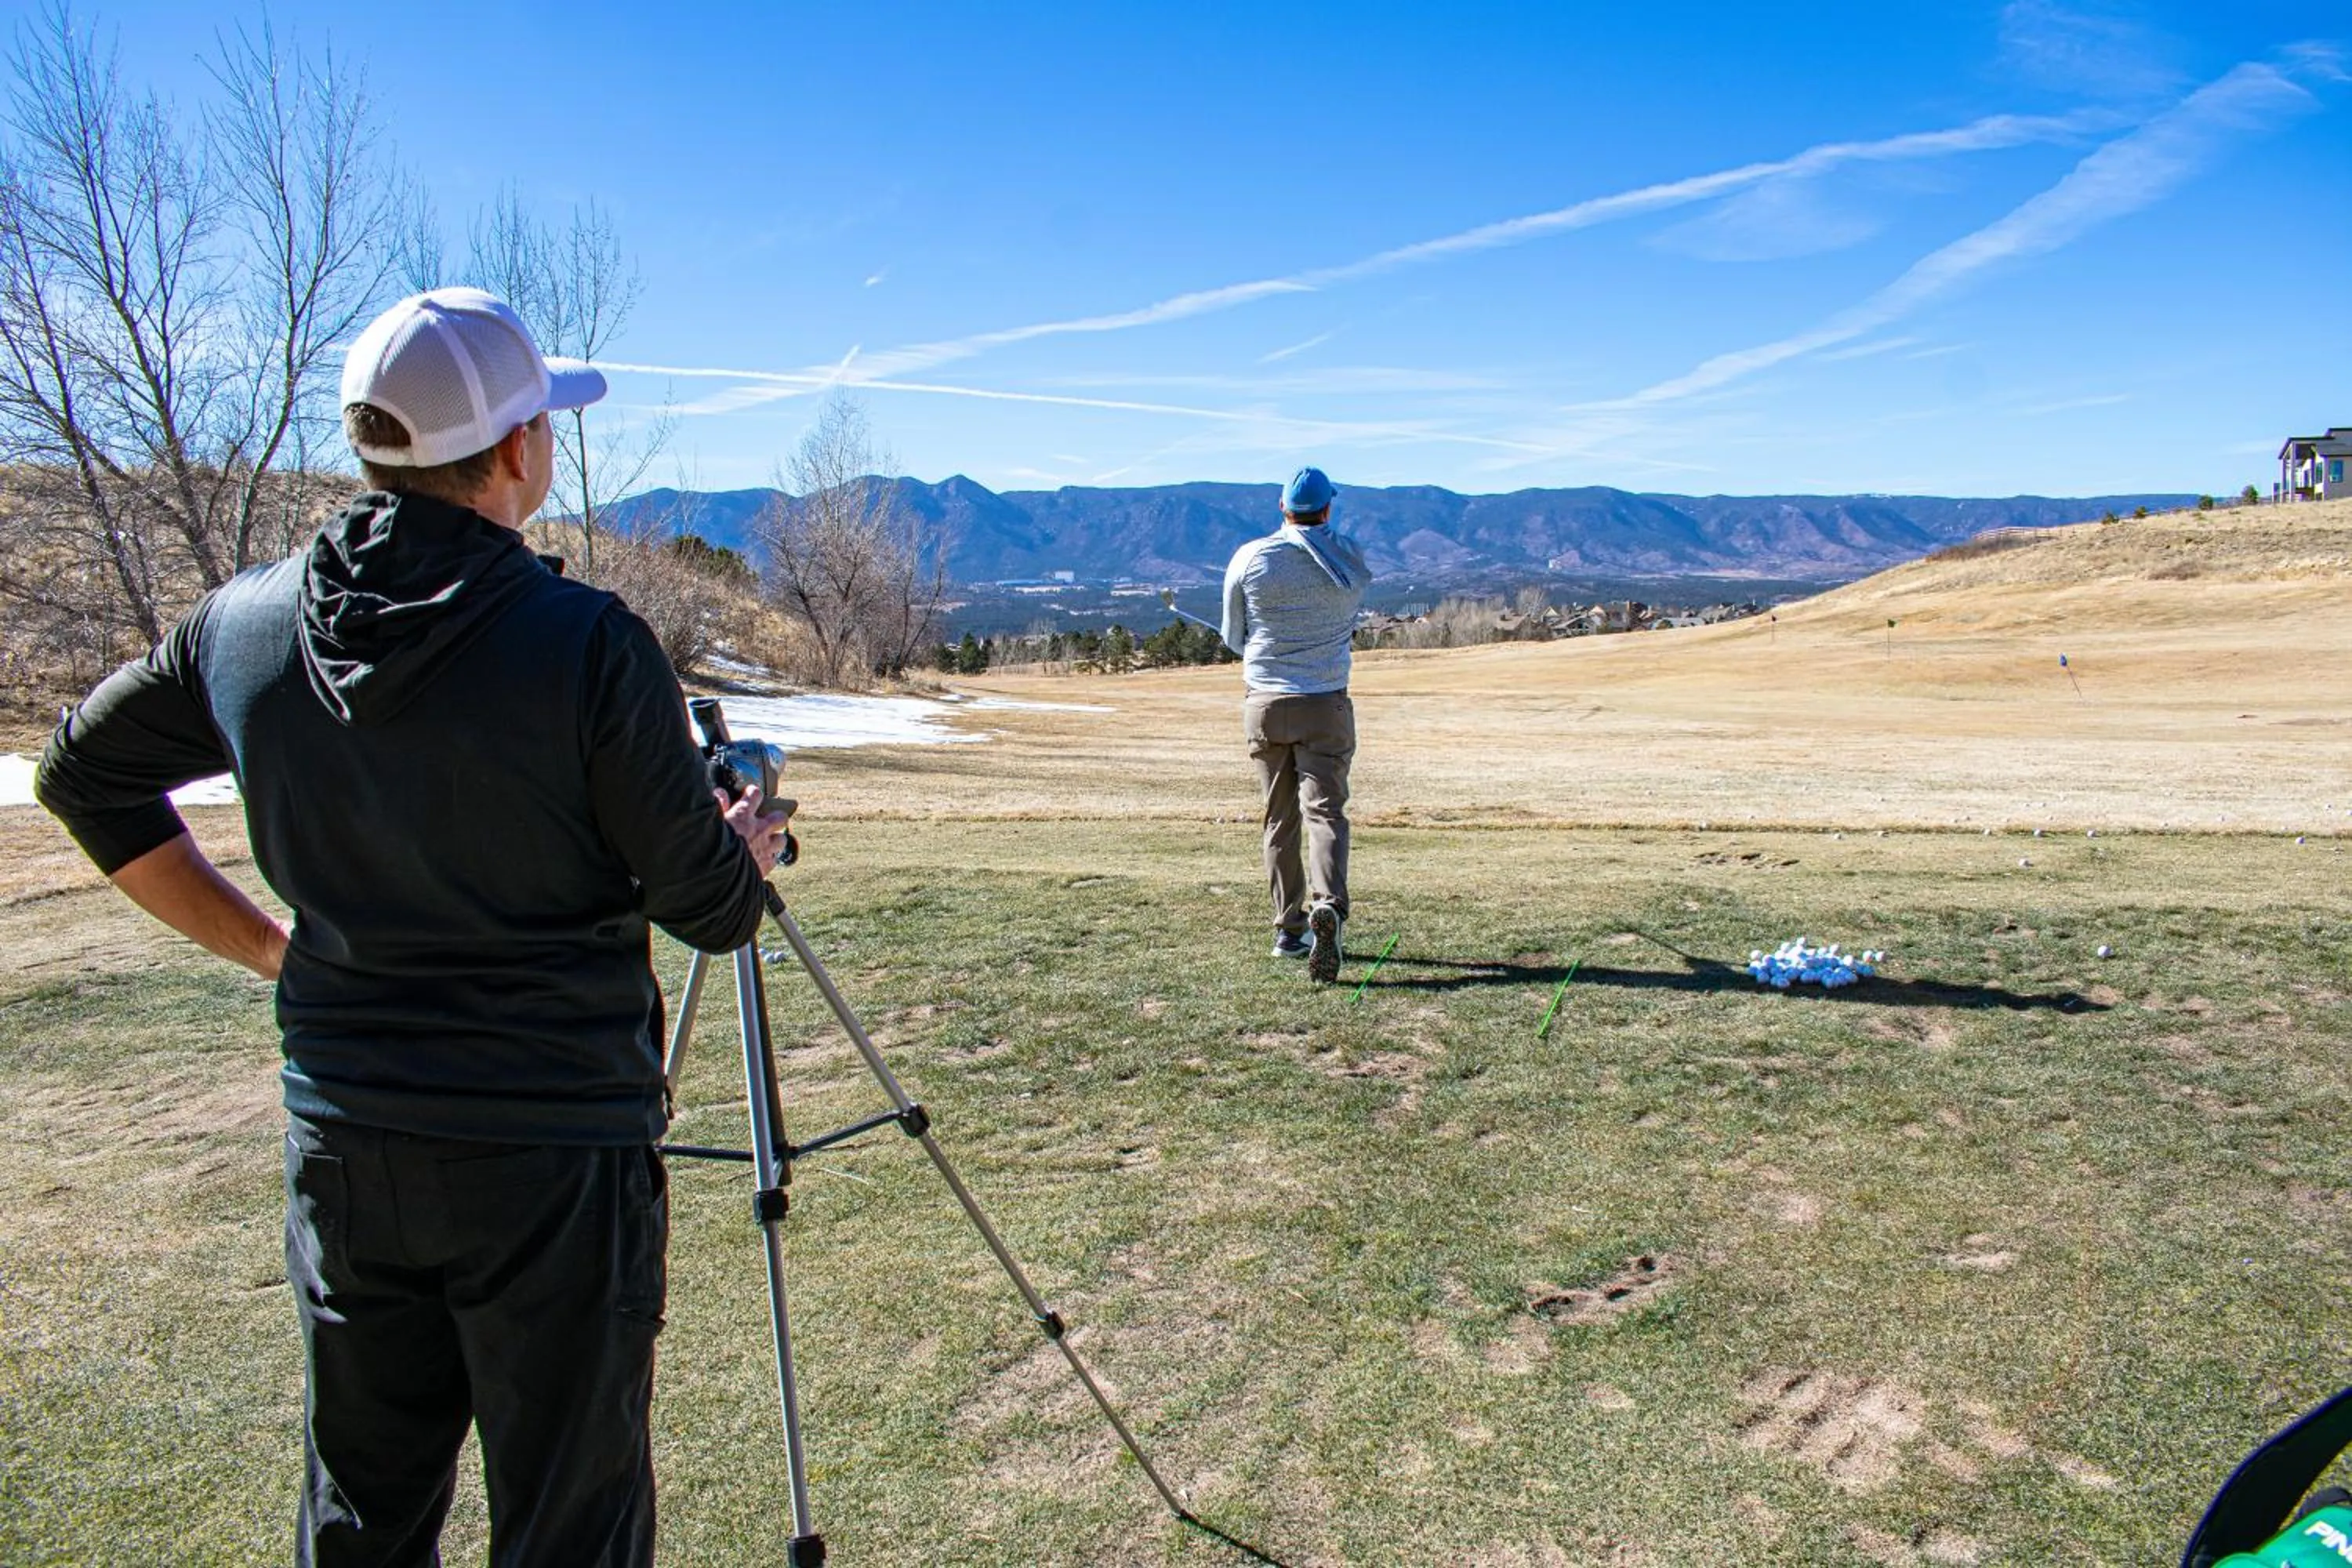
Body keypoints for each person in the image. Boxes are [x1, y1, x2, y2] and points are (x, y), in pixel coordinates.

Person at [34, 286, 791, 1566]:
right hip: (548, 1152)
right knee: (569, 1519)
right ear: (510, 452)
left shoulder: (249, 623)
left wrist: (274, 950)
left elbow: (83, 775)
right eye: (544, 420)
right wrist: (742, 850)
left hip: (346, 1132)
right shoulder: (587, 645)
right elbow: (708, 910)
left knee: (362, 1510)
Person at [1219, 466, 1371, 985]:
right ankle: (1328, 906)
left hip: (1264, 703)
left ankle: (1289, 929)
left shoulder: (1251, 557)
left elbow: (1234, 637)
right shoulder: (1350, 560)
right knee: (1325, 814)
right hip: (1325, 701)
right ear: (1328, 509)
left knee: (1278, 819)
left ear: (1282, 508)